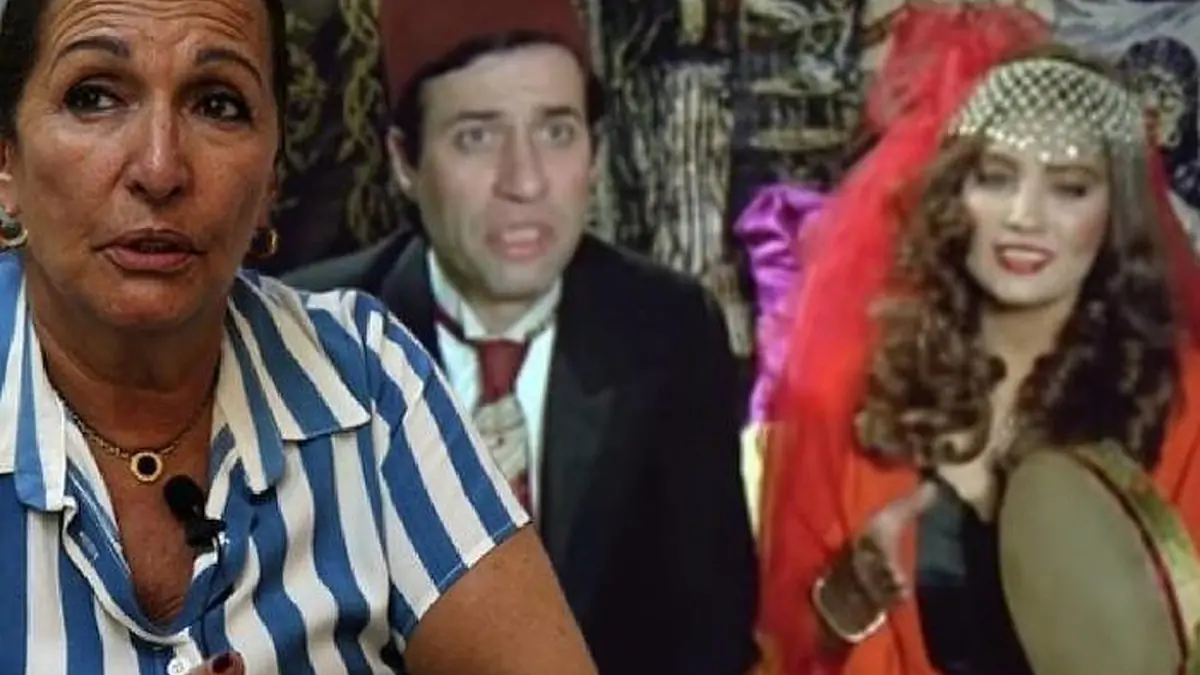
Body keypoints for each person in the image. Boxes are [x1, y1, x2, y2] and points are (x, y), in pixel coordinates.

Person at [0, 0, 601, 673]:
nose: (160, 168)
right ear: (5, 161)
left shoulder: (362, 380)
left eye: (218, 104)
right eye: (94, 97)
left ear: (271, 181)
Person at [284, 0, 759, 672]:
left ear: (595, 151)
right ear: (405, 161)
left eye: (557, 132)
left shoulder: (671, 332)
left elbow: (709, 638)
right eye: (477, 136)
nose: (526, 181)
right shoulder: (311, 341)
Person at [752, 5, 1200, 675]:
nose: (1025, 217)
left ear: (1115, 214)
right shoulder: (864, 394)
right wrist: (853, 593)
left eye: (1069, 188)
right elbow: (789, 650)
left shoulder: (1181, 406)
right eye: (995, 178)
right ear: (952, 195)